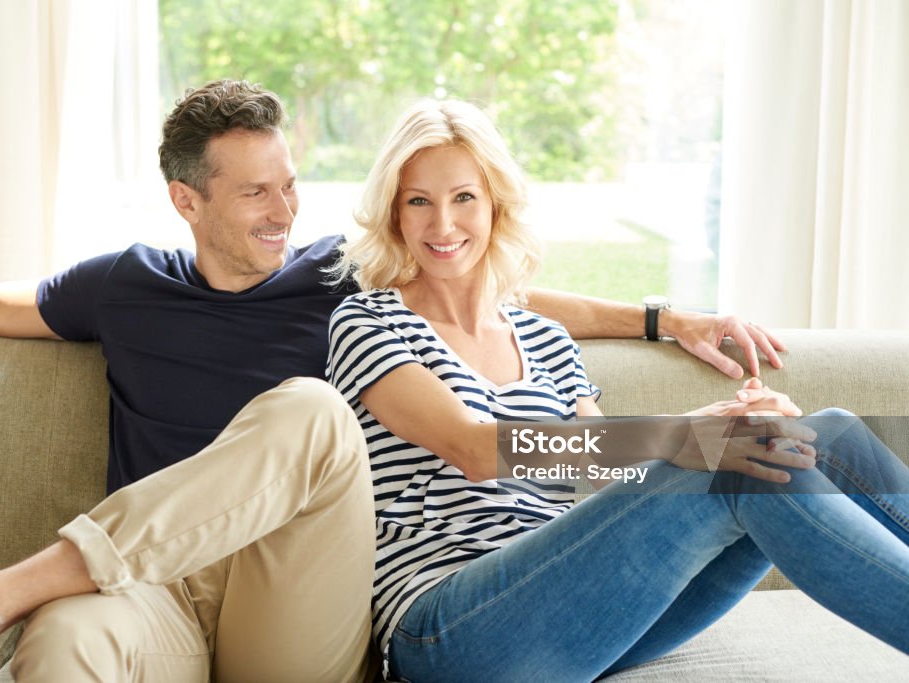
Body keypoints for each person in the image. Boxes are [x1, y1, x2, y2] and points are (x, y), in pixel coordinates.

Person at [0, 80, 786, 683]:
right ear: (186, 201)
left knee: (309, 410)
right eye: (254, 195)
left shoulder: (341, 278)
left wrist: (666, 321)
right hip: (153, 583)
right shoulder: (123, 285)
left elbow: (488, 286)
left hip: (296, 581)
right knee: (61, 643)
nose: (285, 212)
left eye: (288, 185)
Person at [325, 98, 909, 682]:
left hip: (580, 610)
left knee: (824, 431)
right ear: (394, 214)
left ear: (496, 205)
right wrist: (688, 437)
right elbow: (477, 449)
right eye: (419, 201)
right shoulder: (367, 323)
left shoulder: (545, 337)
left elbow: (604, 462)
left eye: (463, 198)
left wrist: (722, 418)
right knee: (739, 464)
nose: (443, 225)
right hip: (448, 627)